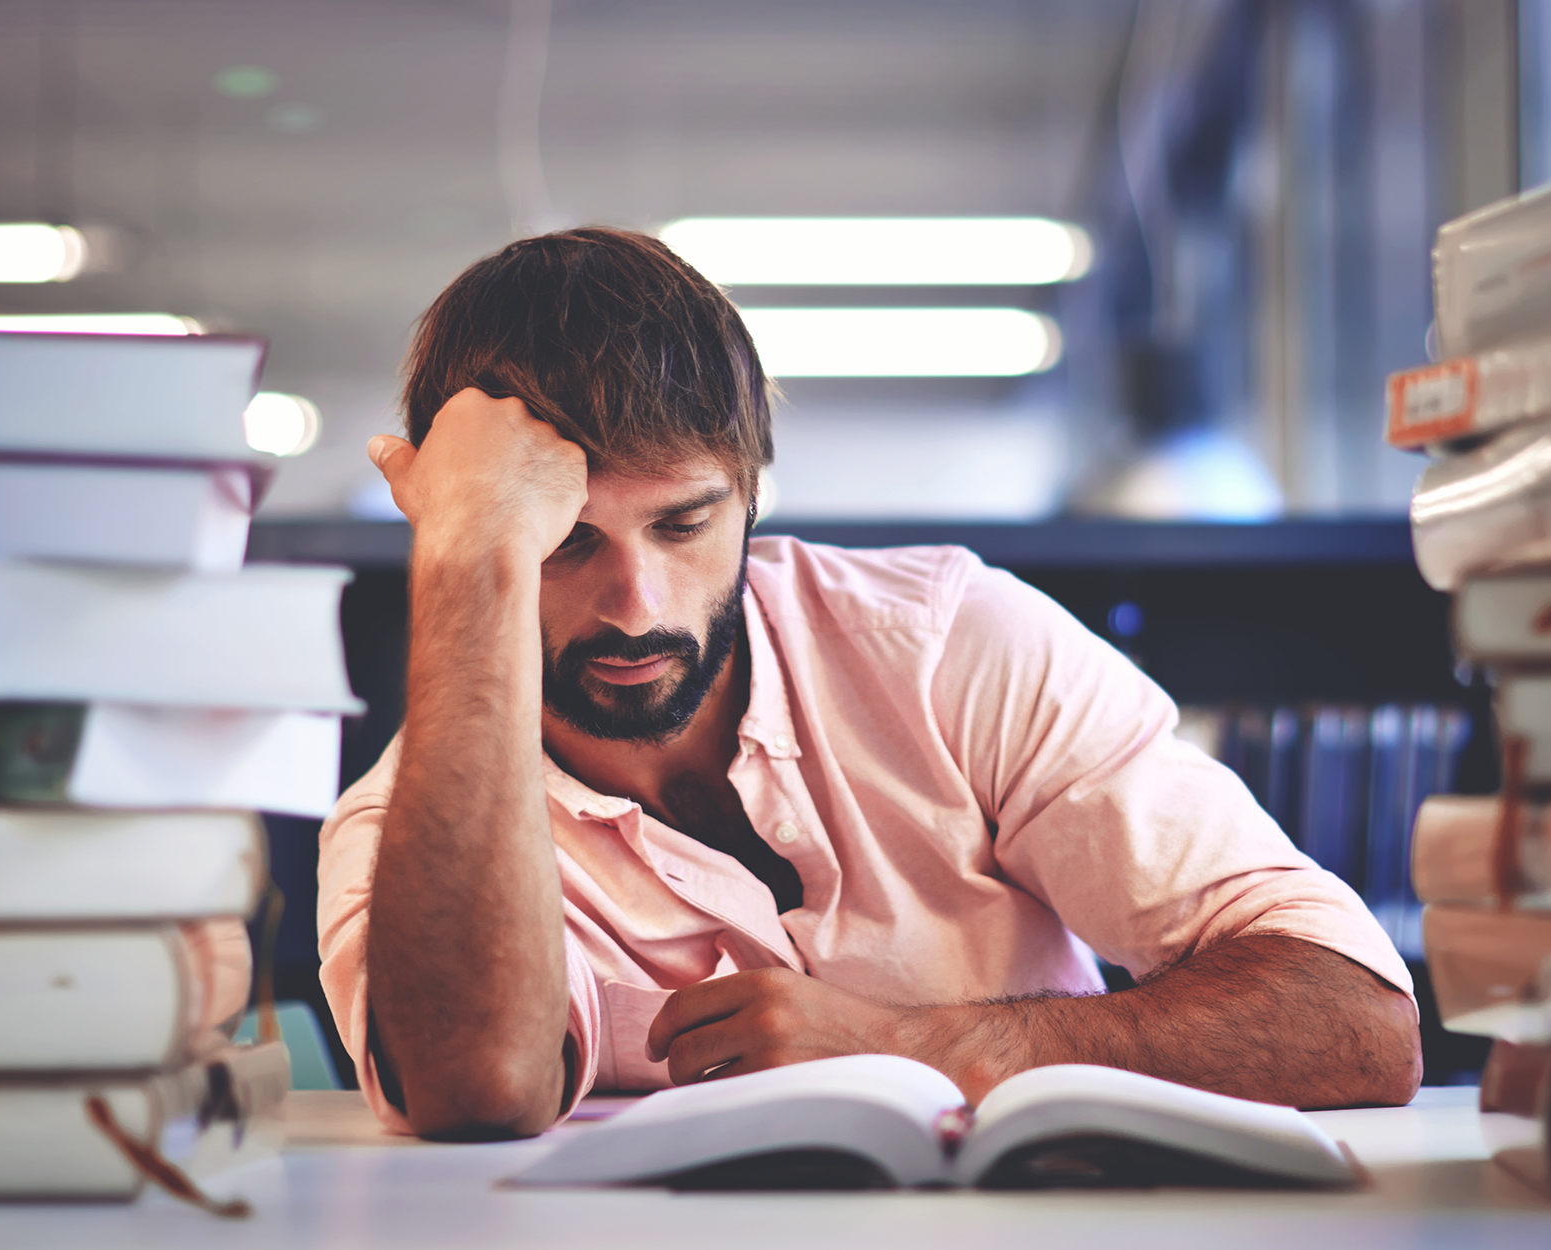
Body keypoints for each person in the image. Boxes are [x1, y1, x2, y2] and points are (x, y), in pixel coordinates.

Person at [318, 226, 1420, 1140]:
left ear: (752, 494)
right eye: (563, 542)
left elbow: (1357, 1014)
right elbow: (474, 1087)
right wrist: (464, 563)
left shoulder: (947, 642)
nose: (636, 603)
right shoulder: (398, 829)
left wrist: (916, 1044)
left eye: (684, 523)